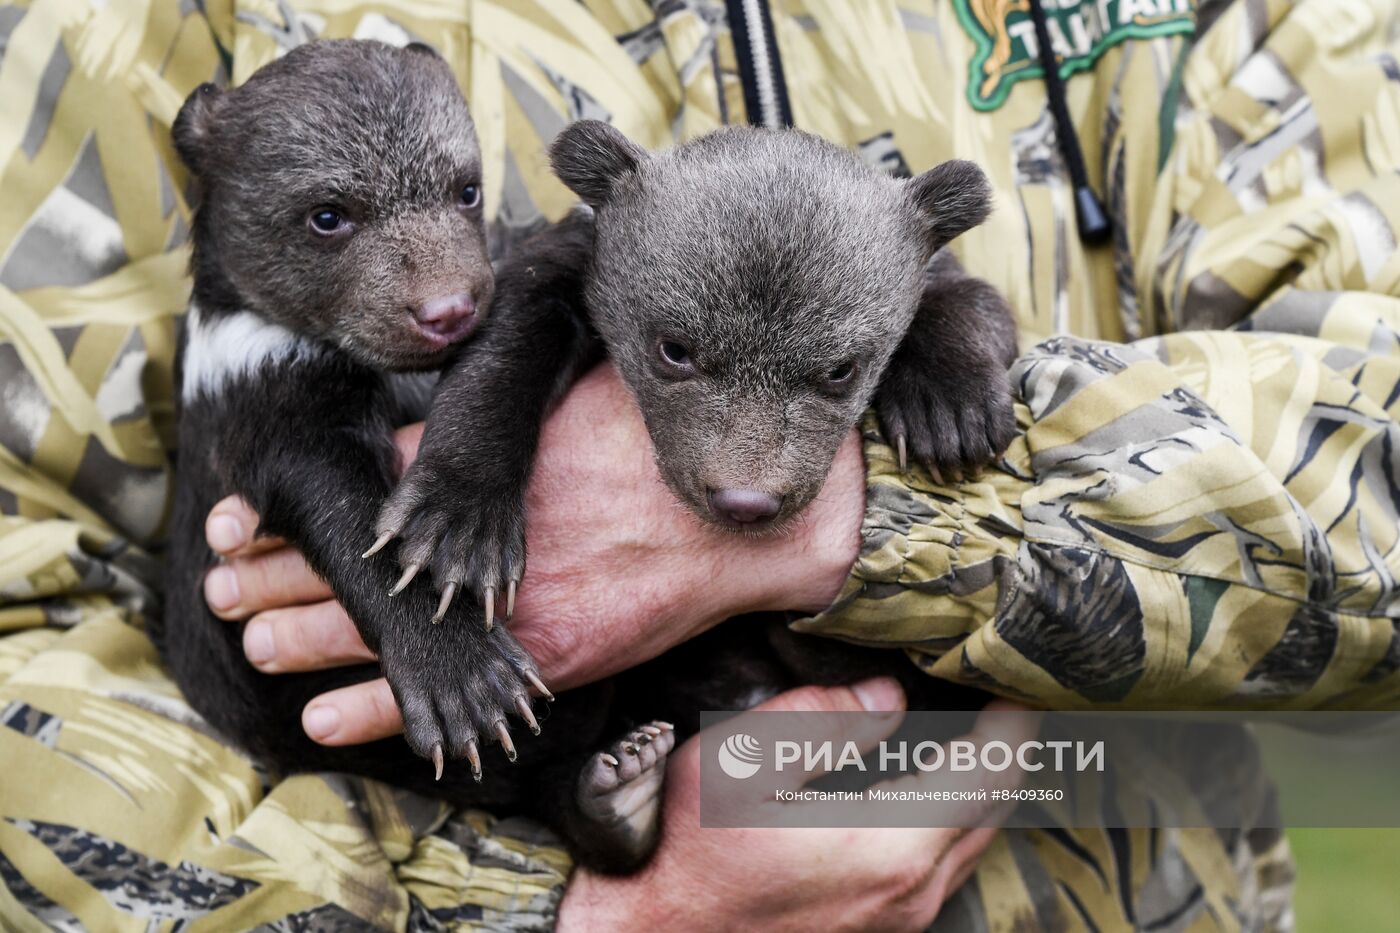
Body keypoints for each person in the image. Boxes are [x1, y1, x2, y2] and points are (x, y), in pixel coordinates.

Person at [1, 0, 1396, 928]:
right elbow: (25, 646)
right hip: (502, 790)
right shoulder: (115, 34)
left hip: (1093, 838)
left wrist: (880, 519)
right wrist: (555, 916)